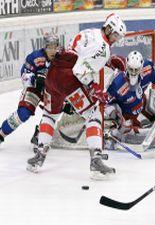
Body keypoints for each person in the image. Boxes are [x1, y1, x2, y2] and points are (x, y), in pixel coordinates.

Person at [26, 13, 126, 180]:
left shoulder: (92, 31)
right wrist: (94, 88)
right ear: (108, 29)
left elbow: (81, 53)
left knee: (50, 115)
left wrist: (107, 62)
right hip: (69, 78)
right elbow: (79, 71)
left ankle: (39, 157)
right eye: (115, 34)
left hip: (53, 73)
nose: (116, 39)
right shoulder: (104, 48)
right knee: (93, 114)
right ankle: (96, 161)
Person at [104, 51, 155, 149]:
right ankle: (115, 135)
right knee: (124, 128)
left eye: (136, 69)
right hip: (126, 116)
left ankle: (145, 120)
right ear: (126, 66)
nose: (134, 72)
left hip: (140, 104)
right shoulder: (117, 83)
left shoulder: (147, 68)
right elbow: (105, 104)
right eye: (131, 69)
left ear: (141, 67)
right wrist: (117, 118)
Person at [0, 33, 60, 145]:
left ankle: (40, 133)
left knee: (54, 111)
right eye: (49, 47)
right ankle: (1, 134)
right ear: (44, 47)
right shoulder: (35, 57)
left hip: (52, 91)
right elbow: (24, 74)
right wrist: (35, 79)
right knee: (23, 113)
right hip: (35, 89)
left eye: (55, 47)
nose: (52, 50)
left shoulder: (62, 58)